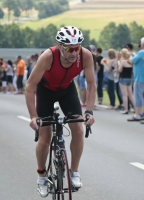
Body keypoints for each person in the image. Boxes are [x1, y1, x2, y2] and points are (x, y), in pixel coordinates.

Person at [25, 26, 96, 198]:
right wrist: (34, 117)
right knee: (45, 138)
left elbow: (91, 84)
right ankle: (42, 176)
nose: (74, 52)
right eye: (69, 48)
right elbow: (29, 87)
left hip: (67, 90)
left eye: (77, 47)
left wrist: (89, 111)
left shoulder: (85, 55)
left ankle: (74, 172)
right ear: (59, 46)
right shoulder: (48, 57)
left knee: (78, 129)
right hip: (45, 91)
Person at [127, 36, 144, 121]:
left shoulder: (141, 52)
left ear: (142, 44)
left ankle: (137, 114)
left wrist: (129, 56)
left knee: (138, 96)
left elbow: (132, 61)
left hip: (139, 77)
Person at [114, 48, 134, 114]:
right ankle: (136, 108)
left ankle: (126, 109)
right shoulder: (131, 61)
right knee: (131, 95)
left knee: (125, 95)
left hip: (123, 78)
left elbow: (120, 70)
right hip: (130, 78)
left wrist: (116, 70)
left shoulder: (123, 61)